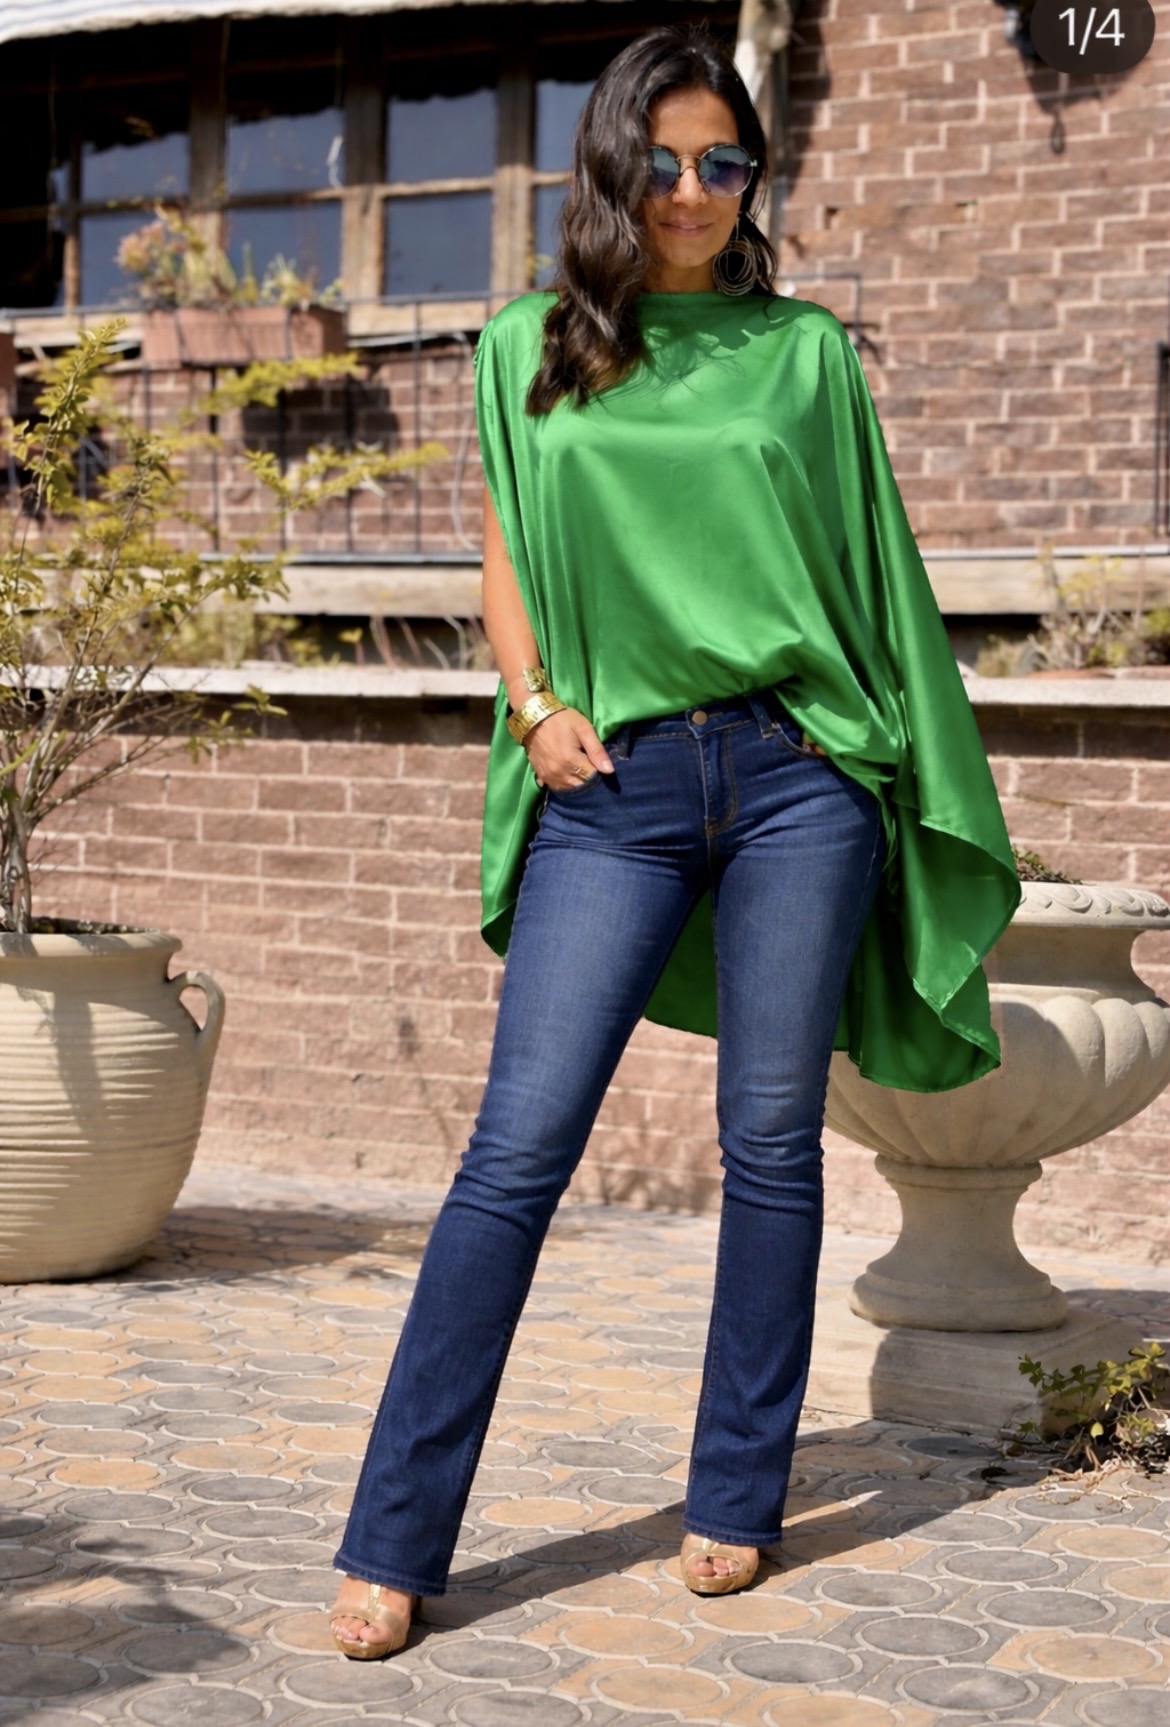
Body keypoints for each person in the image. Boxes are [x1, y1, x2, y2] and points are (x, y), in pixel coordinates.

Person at [329, 24, 1020, 1658]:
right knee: (515, 1152)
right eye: (663, 162)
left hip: (795, 779)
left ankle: (734, 1496)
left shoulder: (802, 353)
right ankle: (394, 1539)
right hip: (609, 788)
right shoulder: (528, 346)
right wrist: (528, 705)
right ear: (609, 166)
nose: (694, 191)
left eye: (725, 163)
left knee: (770, 1145)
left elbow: (868, 568)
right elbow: (505, 548)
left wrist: (860, 753)